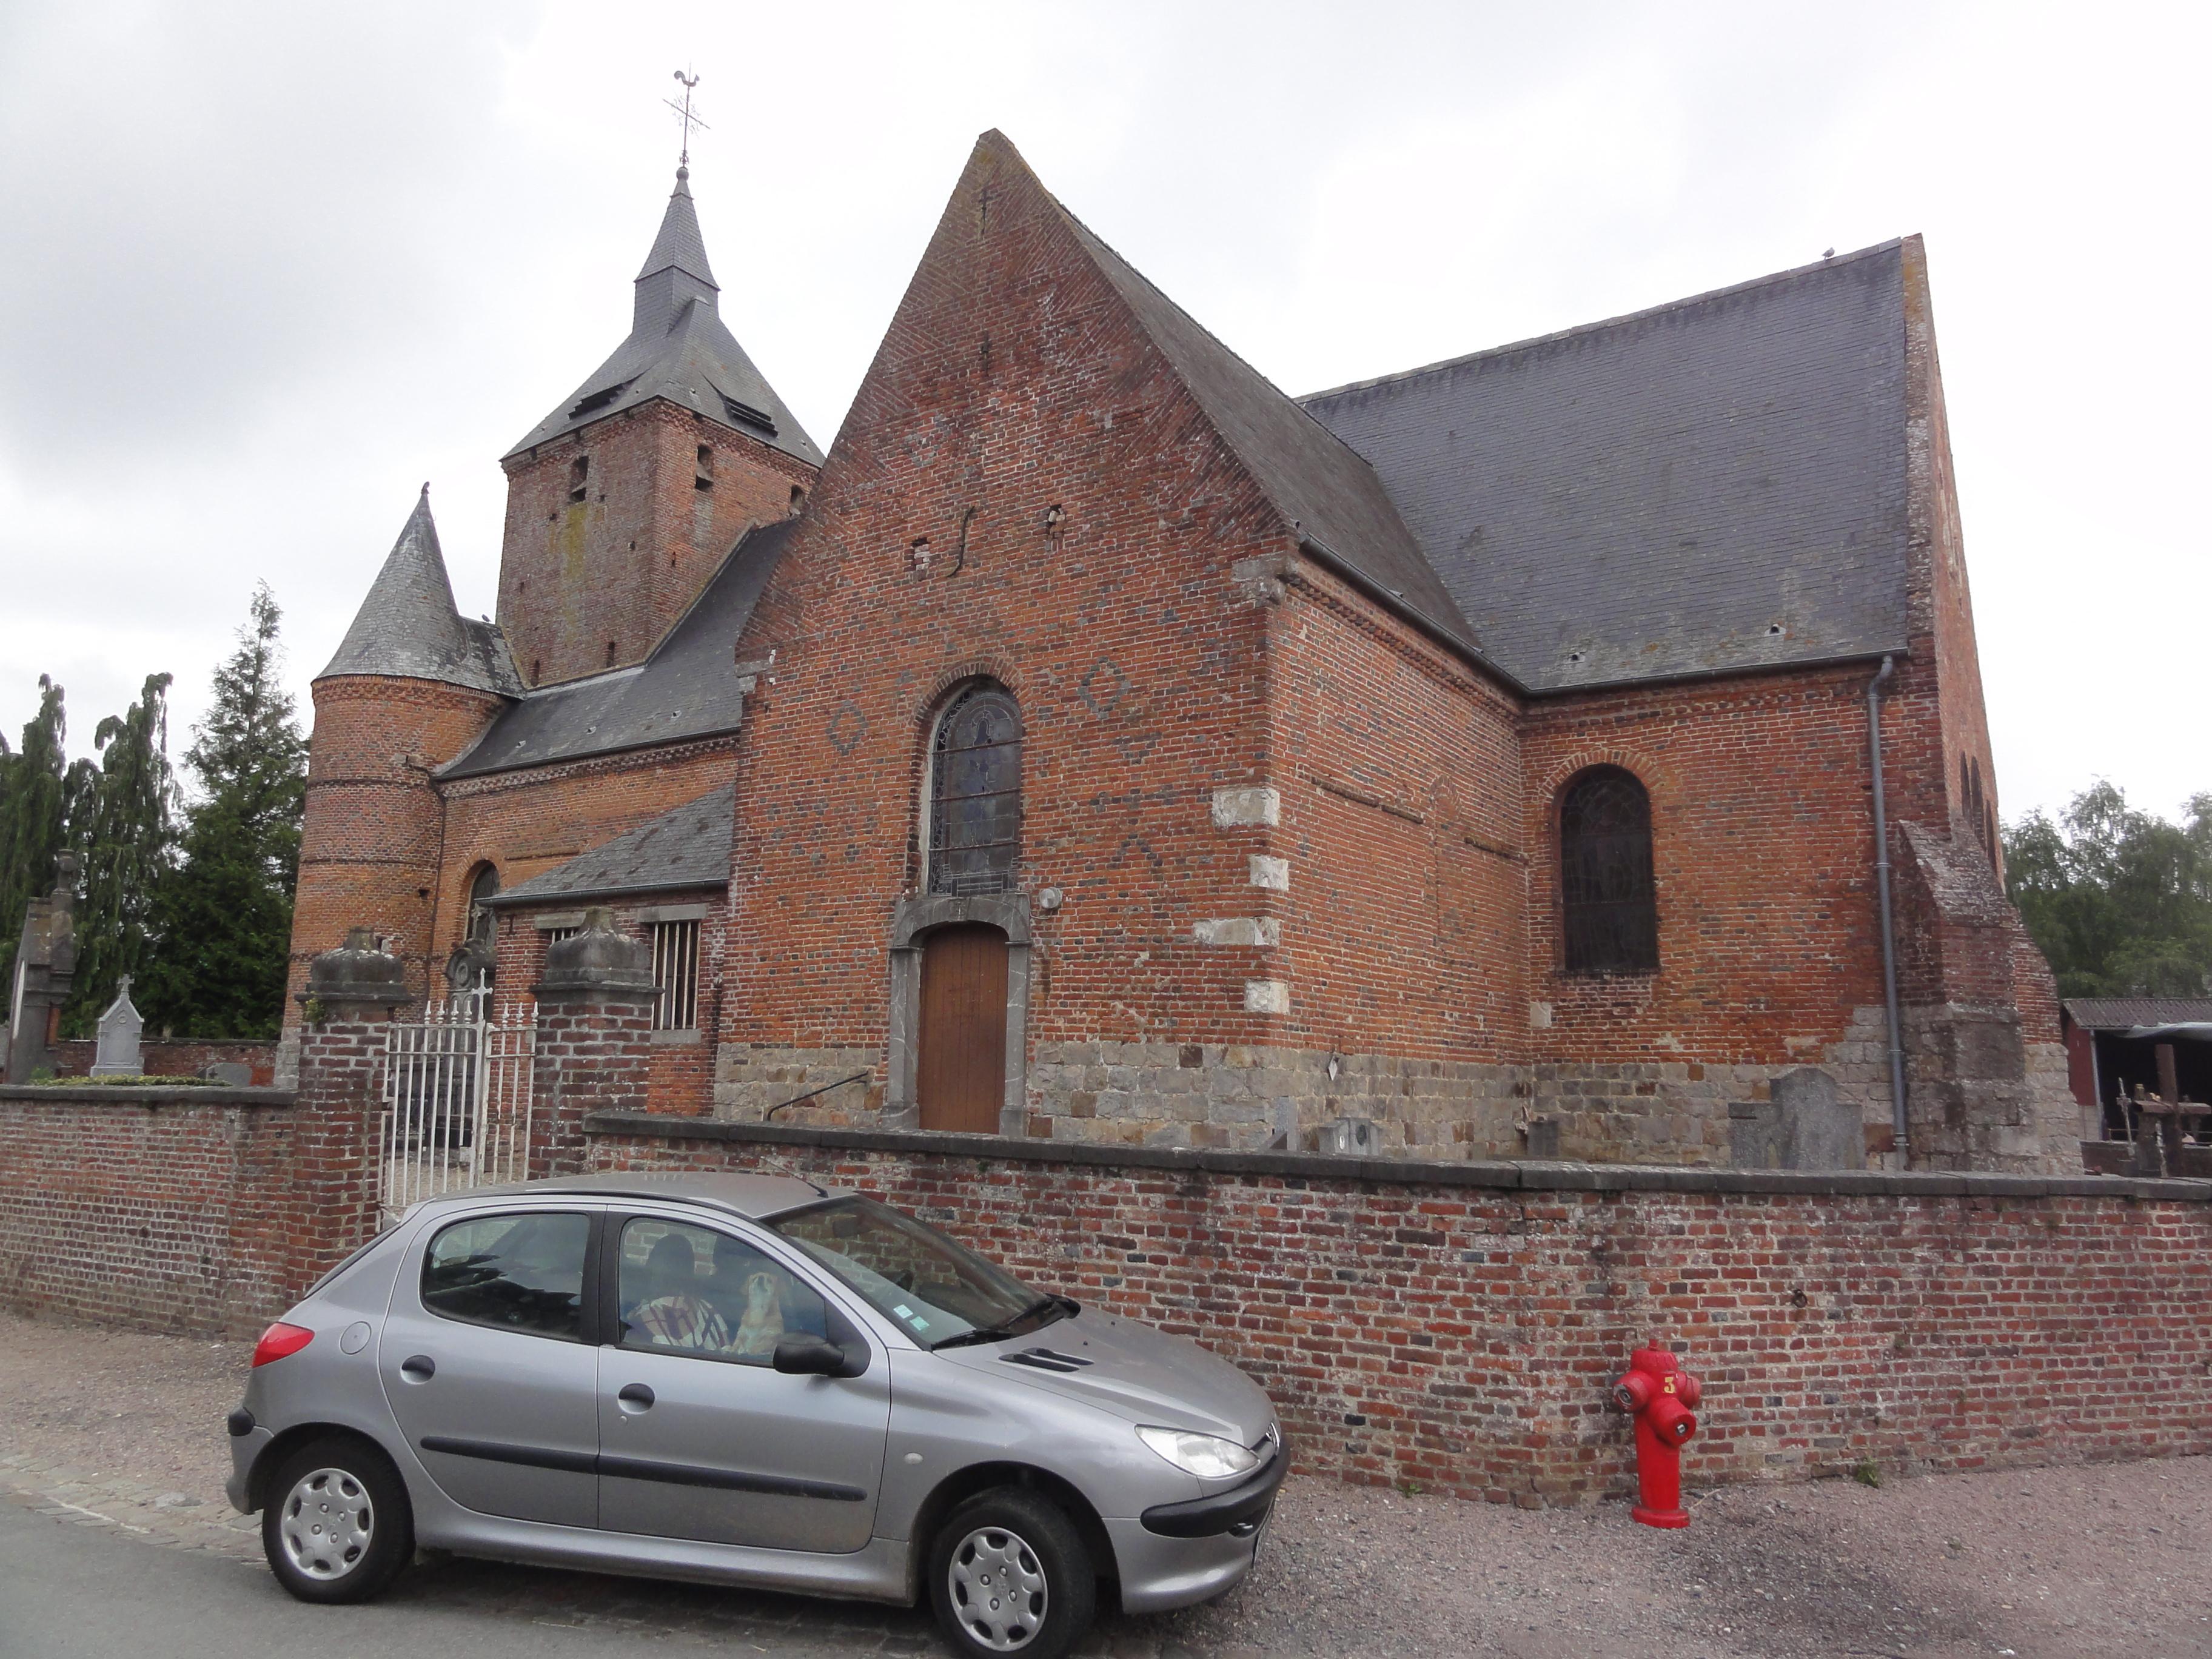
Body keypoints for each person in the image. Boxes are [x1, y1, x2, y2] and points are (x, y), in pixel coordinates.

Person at [626, 1232, 730, 1352]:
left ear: (652, 1267)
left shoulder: (639, 1322)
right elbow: (728, 1352)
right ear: (690, 1270)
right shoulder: (709, 1312)